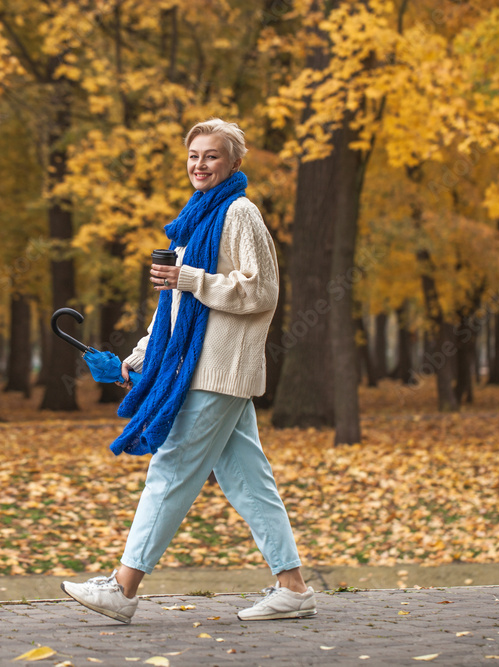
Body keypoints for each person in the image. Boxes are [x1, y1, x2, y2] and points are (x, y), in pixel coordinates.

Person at [61, 118, 316, 623]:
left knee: (171, 468)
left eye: (212, 155)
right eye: (194, 155)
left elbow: (262, 291)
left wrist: (192, 277)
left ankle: (123, 587)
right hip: (196, 370)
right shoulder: (193, 220)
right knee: (248, 480)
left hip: (218, 371)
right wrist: (135, 361)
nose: (200, 164)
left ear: (234, 163)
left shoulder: (240, 213)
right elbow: (174, 309)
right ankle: (294, 588)